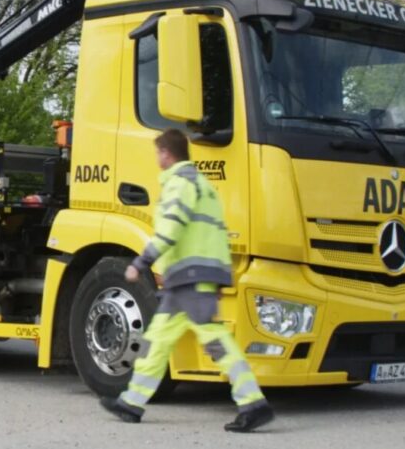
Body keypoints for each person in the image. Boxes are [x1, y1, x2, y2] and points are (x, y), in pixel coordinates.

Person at [98, 129, 274, 433]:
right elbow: (214, 233)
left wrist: (141, 263)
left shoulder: (180, 184)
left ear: (166, 153)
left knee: (215, 342)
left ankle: (253, 403)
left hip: (192, 279)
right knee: (156, 342)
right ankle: (132, 402)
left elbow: (170, 229)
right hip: (189, 279)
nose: (156, 159)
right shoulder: (203, 185)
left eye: (157, 153)